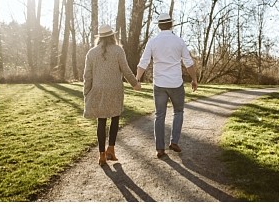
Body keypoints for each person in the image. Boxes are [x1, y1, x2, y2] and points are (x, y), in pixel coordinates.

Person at [136, 13, 198, 158]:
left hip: (159, 84)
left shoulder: (153, 42)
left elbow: (143, 62)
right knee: (178, 112)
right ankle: (174, 141)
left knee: (159, 115)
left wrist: (137, 79)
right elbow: (188, 63)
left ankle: (160, 149)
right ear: (171, 24)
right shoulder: (179, 41)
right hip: (176, 84)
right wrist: (194, 79)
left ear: (159, 26)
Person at [83, 24, 141, 166]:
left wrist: (86, 92)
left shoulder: (91, 53)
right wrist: (135, 84)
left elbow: (87, 76)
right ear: (112, 36)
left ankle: (102, 155)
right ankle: (111, 150)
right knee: (115, 118)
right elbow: (126, 70)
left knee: (101, 121)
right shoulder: (118, 51)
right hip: (115, 90)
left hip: (98, 90)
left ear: (100, 38)